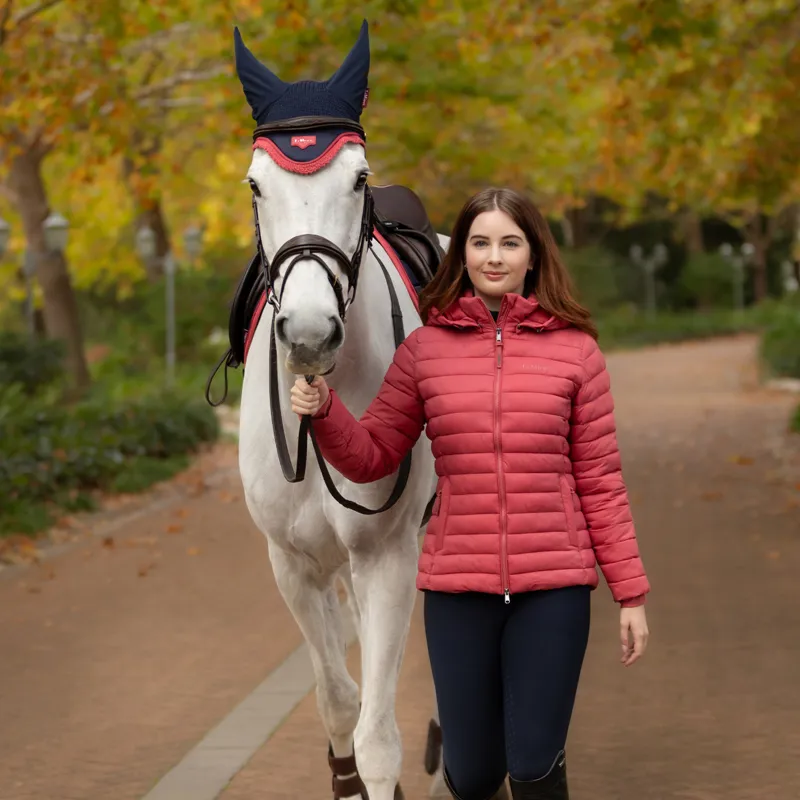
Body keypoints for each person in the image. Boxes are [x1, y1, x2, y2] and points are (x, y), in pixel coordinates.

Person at [290, 187, 650, 800]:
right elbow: (374, 452)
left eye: (510, 243)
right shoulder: (425, 351)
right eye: (480, 243)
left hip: (554, 589)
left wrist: (631, 593)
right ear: (462, 255)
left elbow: (601, 481)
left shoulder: (577, 354)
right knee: (475, 773)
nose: (493, 256)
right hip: (459, 591)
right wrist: (326, 411)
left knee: (533, 765)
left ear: (533, 256)